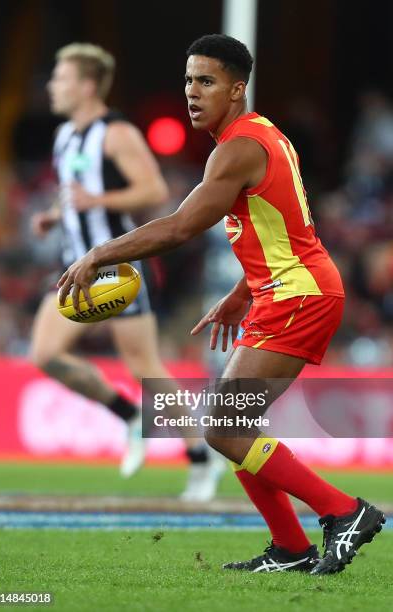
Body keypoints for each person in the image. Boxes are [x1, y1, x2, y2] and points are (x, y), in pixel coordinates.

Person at [57, 35, 385, 575]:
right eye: (188, 80)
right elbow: (281, 226)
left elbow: (182, 226)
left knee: (223, 426)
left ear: (238, 88)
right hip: (285, 289)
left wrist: (101, 253)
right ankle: (290, 548)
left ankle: (344, 511)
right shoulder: (261, 137)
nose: (191, 91)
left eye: (206, 81)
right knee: (235, 426)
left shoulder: (237, 148)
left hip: (298, 295)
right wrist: (242, 292)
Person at [30, 42, 223, 501]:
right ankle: (130, 416)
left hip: (117, 268)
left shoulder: (115, 133)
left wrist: (97, 203)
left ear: (87, 85)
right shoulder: (65, 136)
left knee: (145, 368)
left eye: (61, 77)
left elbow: (153, 189)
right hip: (74, 267)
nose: (53, 86)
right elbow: (75, 192)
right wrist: (55, 214)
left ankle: (200, 459)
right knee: (44, 355)